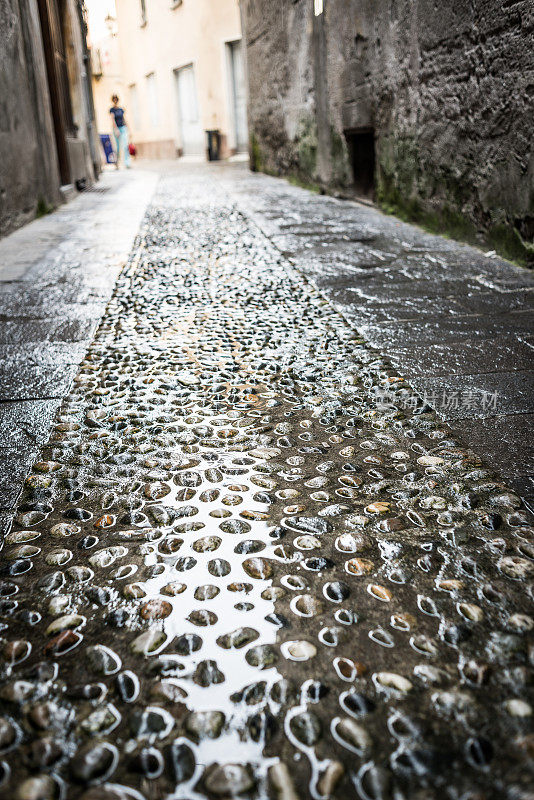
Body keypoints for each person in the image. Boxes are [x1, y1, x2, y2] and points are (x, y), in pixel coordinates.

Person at [110, 94, 131, 169]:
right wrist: (116, 129)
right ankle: (117, 164)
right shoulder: (112, 110)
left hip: (123, 128)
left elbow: (124, 119)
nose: (115, 101)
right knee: (118, 147)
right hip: (117, 129)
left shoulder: (121, 109)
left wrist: (128, 129)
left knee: (125, 146)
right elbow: (113, 120)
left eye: (116, 99)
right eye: (114, 99)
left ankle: (127, 163)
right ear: (113, 100)